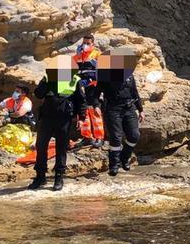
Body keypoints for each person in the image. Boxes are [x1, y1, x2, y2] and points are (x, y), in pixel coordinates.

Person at [29, 55, 86, 192]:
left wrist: (82, 118)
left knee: (61, 148)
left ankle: (58, 178)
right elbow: (38, 94)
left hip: (64, 118)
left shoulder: (75, 80)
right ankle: (40, 176)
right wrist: (46, 81)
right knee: (41, 146)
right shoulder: (48, 78)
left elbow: (81, 100)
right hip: (47, 118)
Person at [98, 50, 144, 176]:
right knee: (116, 138)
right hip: (113, 108)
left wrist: (140, 110)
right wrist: (96, 106)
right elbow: (96, 92)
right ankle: (114, 165)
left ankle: (125, 157)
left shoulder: (129, 76)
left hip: (129, 108)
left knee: (134, 135)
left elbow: (135, 92)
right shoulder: (105, 76)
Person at [73, 34, 105, 147]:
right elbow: (73, 68)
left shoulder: (97, 54)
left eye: (88, 43)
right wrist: (77, 55)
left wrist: (91, 80)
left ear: (93, 44)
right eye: (84, 43)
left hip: (93, 86)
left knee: (94, 111)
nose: (85, 45)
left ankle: (99, 137)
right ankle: (87, 136)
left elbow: (101, 71)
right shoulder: (78, 55)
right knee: (82, 111)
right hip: (81, 86)